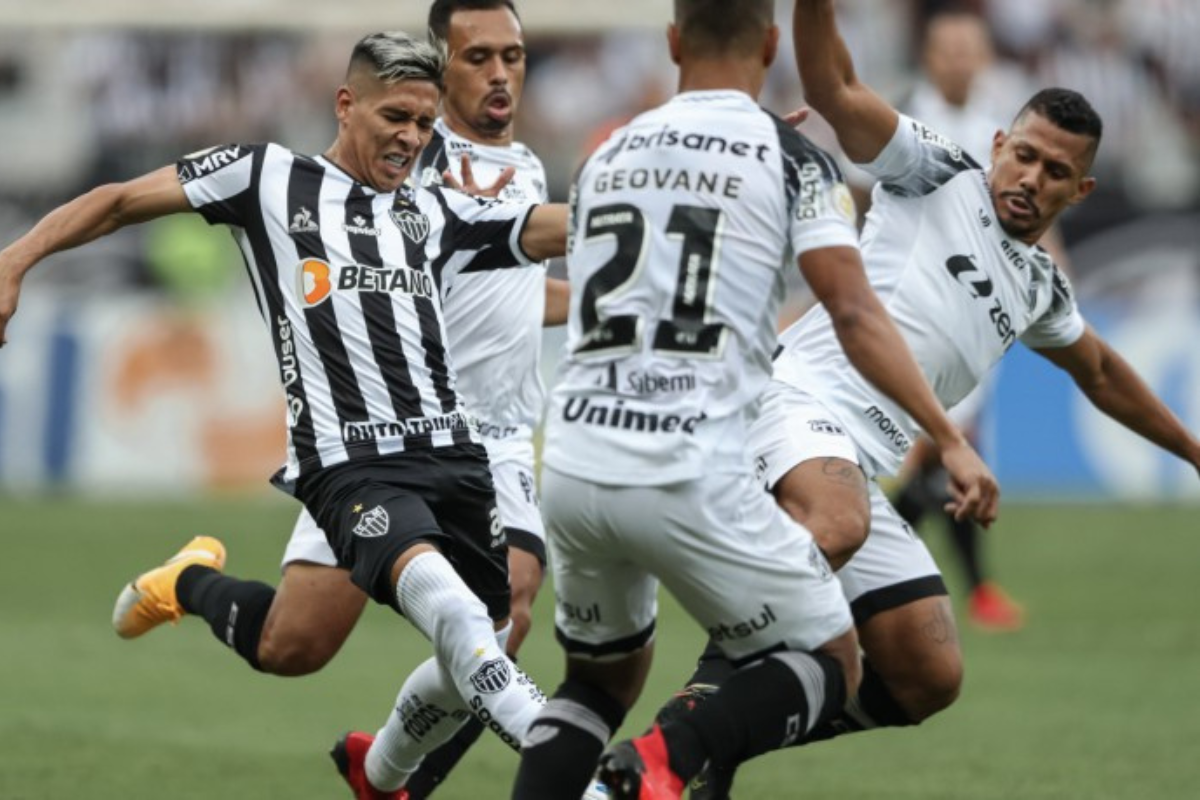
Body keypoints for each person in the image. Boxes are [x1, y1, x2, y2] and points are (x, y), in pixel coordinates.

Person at [0, 29, 570, 799]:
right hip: (355, 469)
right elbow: (119, 202)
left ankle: (191, 587)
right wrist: (14, 259)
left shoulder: (430, 212)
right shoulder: (267, 176)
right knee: (463, 627)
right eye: (395, 117)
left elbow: (533, 231)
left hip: (457, 461)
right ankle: (588, 784)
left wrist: (643, 209)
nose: (410, 138)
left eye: (425, 124)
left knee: (295, 648)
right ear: (346, 104)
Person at [665, 2, 1200, 796]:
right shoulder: (933, 169)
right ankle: (674, 750)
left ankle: (718, 741)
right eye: (1023, 156)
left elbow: (1102, 373)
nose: (1030, 180)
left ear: (1080, 190)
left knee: (927, 670)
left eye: (1055, 173)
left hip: (859, 456)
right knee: (837, 523)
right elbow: (836, 86)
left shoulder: (1042, 286)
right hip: (793, 403)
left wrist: (1193, 451)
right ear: (998, 145)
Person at [508, 2, 999, 798]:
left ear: (672, 42)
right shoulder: (795, 158)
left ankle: (653, 758)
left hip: (573, 459)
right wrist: (948, 433)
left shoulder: (608, 152)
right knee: (832, 659)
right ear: (772, 45)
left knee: (595, 686)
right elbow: (851, 310)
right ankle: (665, 768)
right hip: (686, 464)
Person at [313, 2, 569, 797]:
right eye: (479, 57)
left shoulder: (526, 164)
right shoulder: (413, 154)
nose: (500, 75)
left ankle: (395, 777)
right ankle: (188, 584)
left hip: (495, 433)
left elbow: (518, 290)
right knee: (295, 642)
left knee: (509, 614)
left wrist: (607, 306)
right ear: (440, 63)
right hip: (396, 430)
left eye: (514, 57)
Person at [893, 9, 1030, 631]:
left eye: (968, 50)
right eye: (947, 50)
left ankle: (857, 570)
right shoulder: (902, 116)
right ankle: (973, 589)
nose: (958, 61)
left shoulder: (996, 130)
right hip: (911, 307)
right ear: (929, 56)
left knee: (936, 457)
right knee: (936, 450)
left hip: (974, 311)